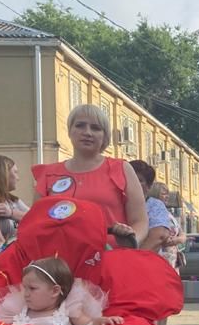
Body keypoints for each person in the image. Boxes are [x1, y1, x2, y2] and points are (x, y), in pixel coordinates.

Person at [32, 104, 148, 244]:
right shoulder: (49, 174)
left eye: (95, 128)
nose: (87, 132)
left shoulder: (121, 169)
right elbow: (36, 223)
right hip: (60, 261)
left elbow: (140, 221)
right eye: (80, 125)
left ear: (105, 136)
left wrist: (131, 240)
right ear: (69, 131)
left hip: (111, 258)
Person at [0, 257, 124, 325]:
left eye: (32, 288)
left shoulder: (68, 311)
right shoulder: (17, 310)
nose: (26, 294)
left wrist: (100, 322)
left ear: (54, 291)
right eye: (25, 288)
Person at [130, 160, 179, 325]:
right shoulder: (114, 202)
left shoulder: (154, 205)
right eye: (130, 178)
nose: (134, 183)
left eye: (140, 180)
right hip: (114, 269)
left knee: (150, 309)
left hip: (144, 267)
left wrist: (131, 260)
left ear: (149, 186)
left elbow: (159, 235)